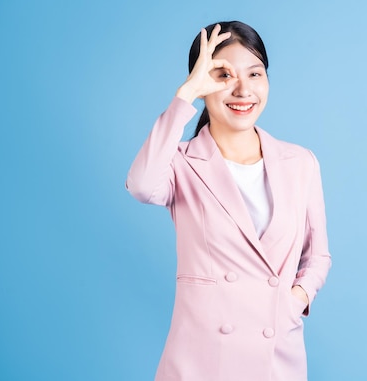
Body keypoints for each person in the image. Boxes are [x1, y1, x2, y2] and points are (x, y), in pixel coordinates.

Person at [126, 20, 332, 381]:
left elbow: (317, 256)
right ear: (204, 82)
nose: (242, 90)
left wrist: (294, 300)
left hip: (276, 357)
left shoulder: (300, 162)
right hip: (201, 360)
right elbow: (142, 185)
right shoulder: (181, 163)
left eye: (255, 74)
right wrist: (186, 94)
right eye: (223, 75)